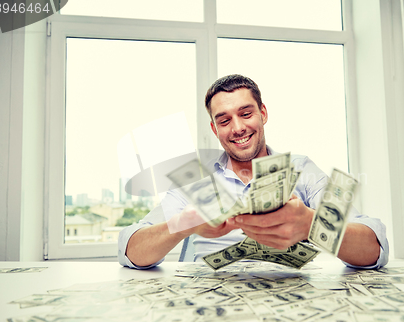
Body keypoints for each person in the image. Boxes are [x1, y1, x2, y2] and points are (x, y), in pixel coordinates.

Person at [118, 74, 389, 269]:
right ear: (215, 129)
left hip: (287, 306)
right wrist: (182, 224)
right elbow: (131, 251)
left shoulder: (302, 169)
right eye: (224, 120)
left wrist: (309, 223)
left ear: (263, 114)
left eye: (246, 114)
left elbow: (374, 249)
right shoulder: (196, 181)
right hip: (207, 306)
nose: (237, 128)